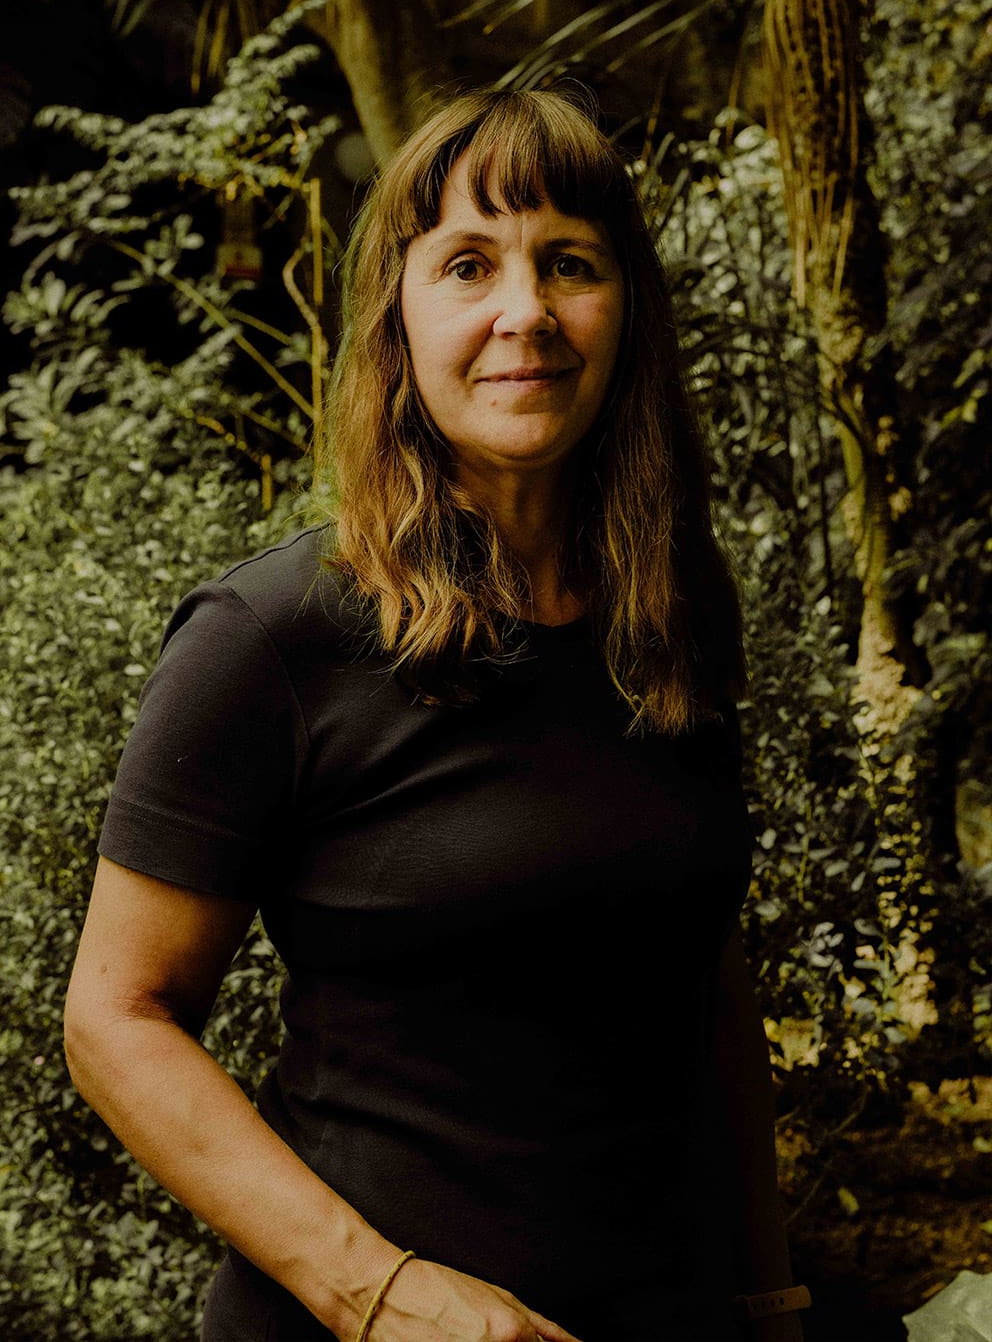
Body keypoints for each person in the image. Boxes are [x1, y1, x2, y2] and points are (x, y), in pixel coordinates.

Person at [64, 87, 809, 1342]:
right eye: (467, 264)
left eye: (569, 263)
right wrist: (382, 1296)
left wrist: (769, 1295)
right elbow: (115, 1016)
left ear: (627, 311)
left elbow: (699, 968)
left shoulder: (669, 611)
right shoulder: (272, 637)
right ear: (396, 321)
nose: (526, 312)